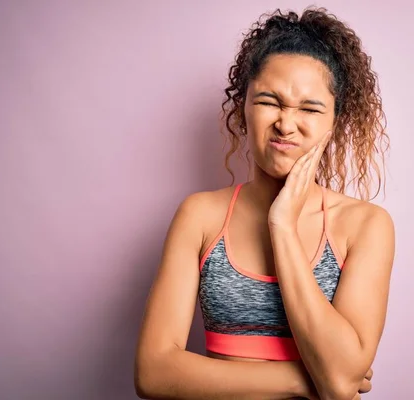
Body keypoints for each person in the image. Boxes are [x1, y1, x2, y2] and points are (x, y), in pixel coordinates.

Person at [134, 7, 395, 400]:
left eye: (309, 108)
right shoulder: (200, 216)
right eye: (269, 102)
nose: (286, 124)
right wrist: (303, 379)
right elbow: (153, 373)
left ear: (334, 122)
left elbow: (341, 383)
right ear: (244, 108)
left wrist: (283, 226)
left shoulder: (365, 225)